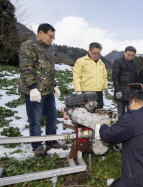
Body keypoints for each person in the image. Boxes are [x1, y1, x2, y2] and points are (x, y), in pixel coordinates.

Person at [19, 23, 67, 156]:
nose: (51, 39)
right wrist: (32, 88)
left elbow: (48, 71)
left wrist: (54, 85)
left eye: (53, 37)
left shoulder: (47, 50)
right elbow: (26, 68)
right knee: (35, 120)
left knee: (52, 118)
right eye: (50, 36)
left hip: (48, 91)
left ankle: (51, 141)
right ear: (40, 33)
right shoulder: (28, 46)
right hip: (35, 92)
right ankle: (37, 146)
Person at [72, 42, 109, 108]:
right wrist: (78, 90)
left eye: (98, 54)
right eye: (94, 53)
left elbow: (104, 77)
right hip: (86, 92)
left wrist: (105, 88)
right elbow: (77, 76)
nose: (96, 55)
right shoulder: (81, 61)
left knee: (99, 113)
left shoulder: (101, 63)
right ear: (89, 51)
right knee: (87, 114)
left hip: (99, 92)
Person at [112, 46, 138, 116]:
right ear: (124, 53)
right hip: (121, 92)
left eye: (132, 55)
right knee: (121, 114)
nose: (129, 57)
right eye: (128, 55)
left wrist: (135, 91)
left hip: (131, 93)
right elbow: (115, 77)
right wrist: (118, 91)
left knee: (131, 114)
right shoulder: (118, 62)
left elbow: (135, 77)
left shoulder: (134, 64)